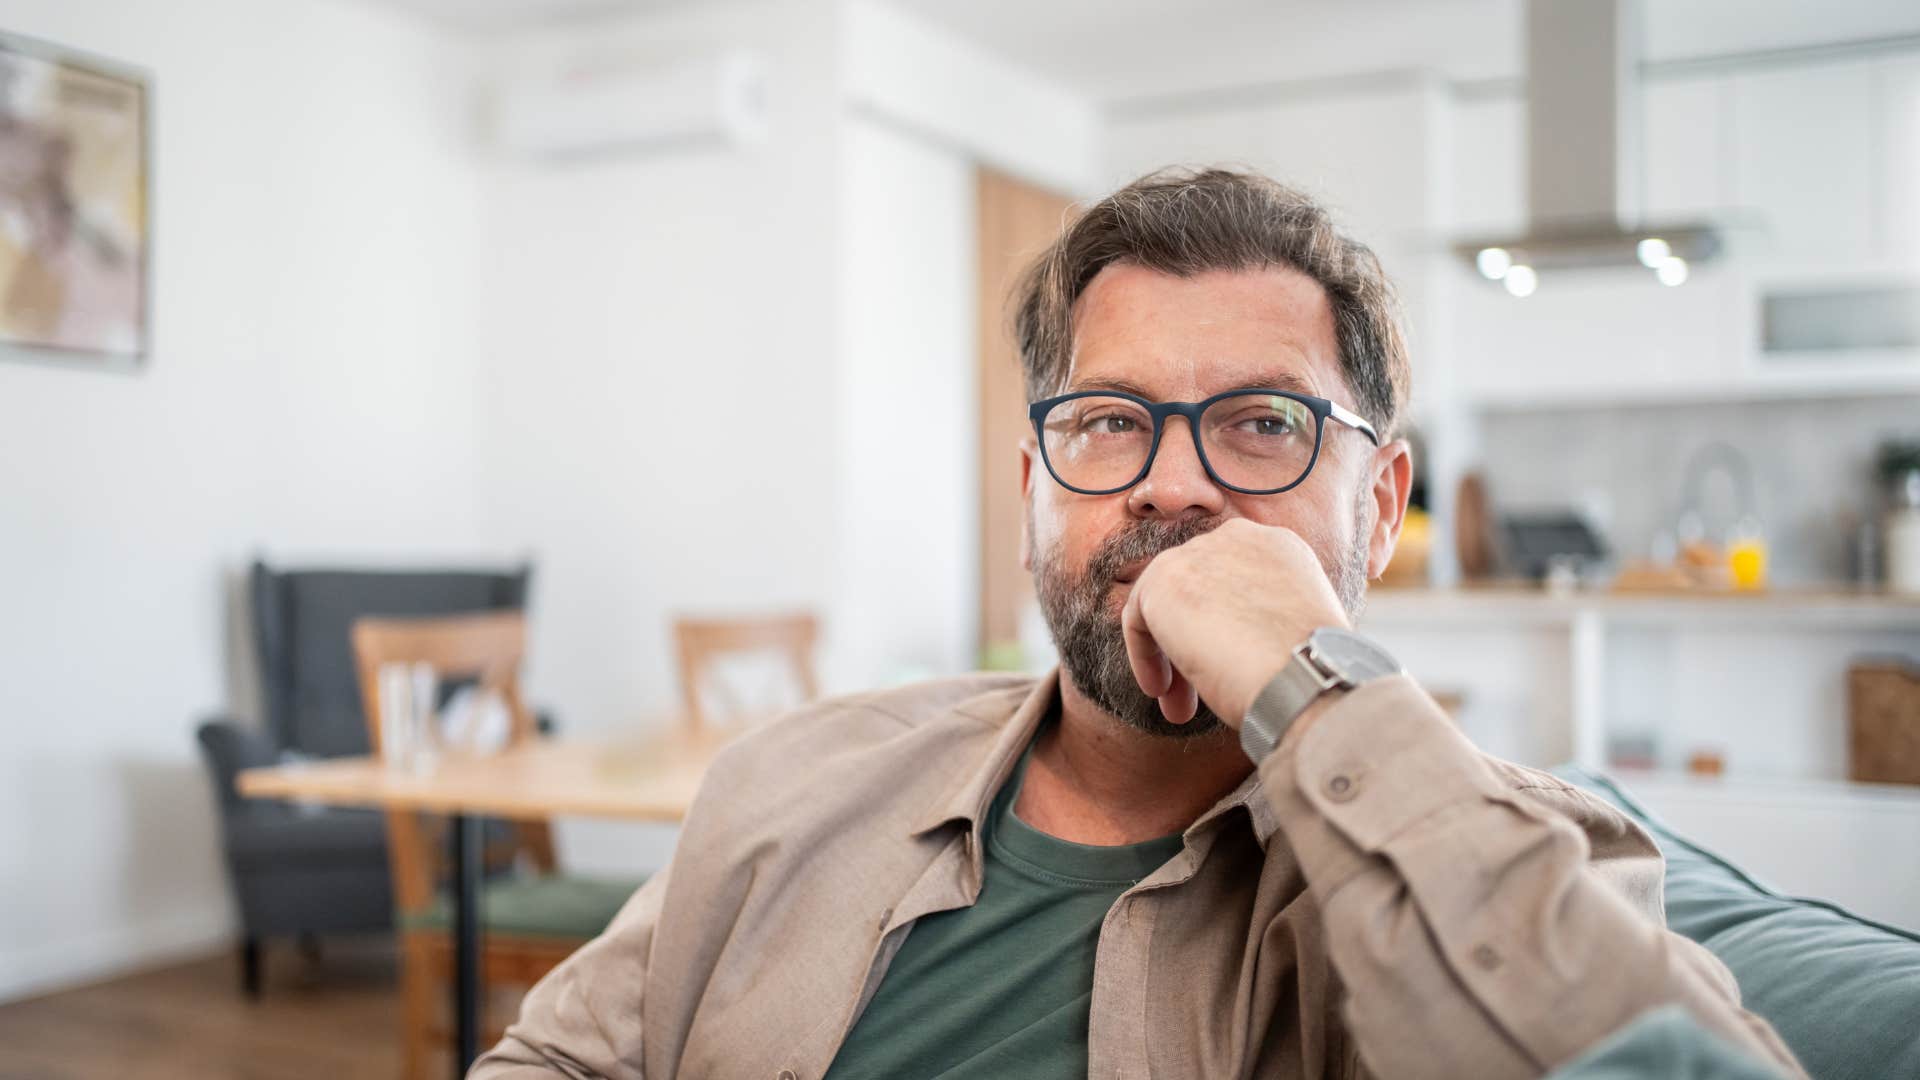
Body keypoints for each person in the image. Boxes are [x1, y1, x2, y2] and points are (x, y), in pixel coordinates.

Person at [472, 168, 1803, 1079]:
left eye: (1263, 423)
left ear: (1381, 505)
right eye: (1109, 421)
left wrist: (1310, 680)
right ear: (1033, 492)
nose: (1174, 482)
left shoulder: (1538, 858)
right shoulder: (788, 781)